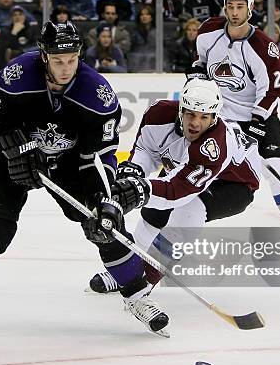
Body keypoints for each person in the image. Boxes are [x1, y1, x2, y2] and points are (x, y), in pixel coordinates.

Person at [0, 21, 169, 345]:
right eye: (58, 60)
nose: (65, 68)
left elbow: (101, 156)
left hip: (70, 166)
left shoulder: (98, 95)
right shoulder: (18, 75)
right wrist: (10, 144)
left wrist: (106, 199)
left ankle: (138, 296)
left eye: (72, 59)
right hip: (9, 162)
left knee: (105, 225)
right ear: (43, 56)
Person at [88, 79, 261, 294]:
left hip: (234, 182)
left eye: (204, 117)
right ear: (181, 109)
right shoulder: (158, 114)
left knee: (188, 212)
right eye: (190, 114)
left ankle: (146, 279)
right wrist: (134, 172)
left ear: (214, 117)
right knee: (152, 211)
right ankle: (127, 272)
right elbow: (146, 151)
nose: (195, 123)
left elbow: (177, 191)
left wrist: (139, 189)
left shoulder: (215, 144)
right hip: (185, 168)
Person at [190, 0, 280, 247]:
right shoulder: (208, 31)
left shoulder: (264, 47)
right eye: (230, 7)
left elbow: (273, 90)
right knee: (197, 162)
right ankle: (181, 216)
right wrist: (198, 74)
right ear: (225, 7)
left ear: (251, 8)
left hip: (259, 116)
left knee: (277, 169)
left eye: (240, 7)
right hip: (220, 117)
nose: (234, 12)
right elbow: (200, 62)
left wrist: (256, 121)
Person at [0, 0, 35, 72]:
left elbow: (34, 24)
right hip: (3, 36)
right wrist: (8, 35)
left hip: (21, 35)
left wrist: (26, 32)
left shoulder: (20, 9)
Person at [128, 4, 157, 72]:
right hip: (136, 65)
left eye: (147, 14)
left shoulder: (157, 32)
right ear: (139, 17)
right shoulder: (133, 32)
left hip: (153, 64)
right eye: (142, 14)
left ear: (151, 17)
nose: (144, 17)